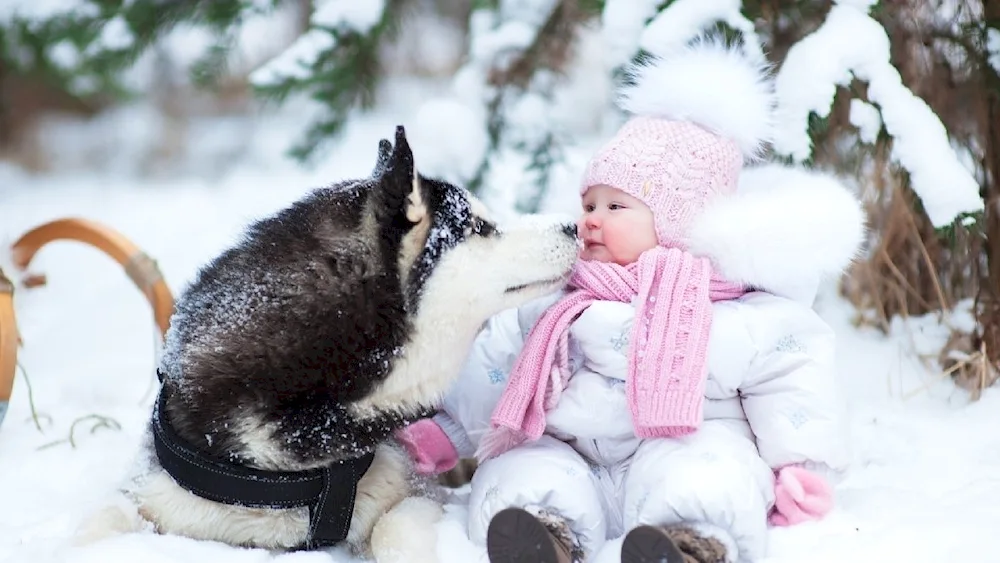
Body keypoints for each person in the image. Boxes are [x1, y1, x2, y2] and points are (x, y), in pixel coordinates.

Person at [397, 38, 865, 563]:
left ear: (678, 224)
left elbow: (794, 377)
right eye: (588, 202)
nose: (590, 218)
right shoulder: (560, 299)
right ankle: (544, 535)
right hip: (573, 450)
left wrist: (801, 465)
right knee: (521, 467)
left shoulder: (734, 310)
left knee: (711, 471)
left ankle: (691, 542)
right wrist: (449, 430)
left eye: (615, 206)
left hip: (682, 441)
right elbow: (496, 366)